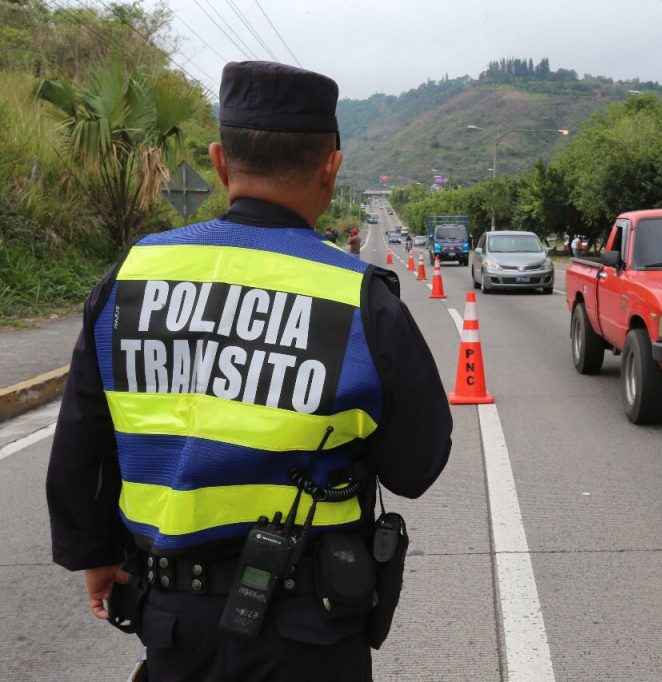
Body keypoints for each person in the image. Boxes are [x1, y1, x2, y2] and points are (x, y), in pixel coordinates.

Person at [45, 61, 452, 681]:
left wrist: (93, 553)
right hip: (310, 629)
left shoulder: (130, 277)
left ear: (219, 162)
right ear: (330, 167)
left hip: (173, 623)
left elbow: (81, 438)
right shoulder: (359, 298)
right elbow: (417, 465)